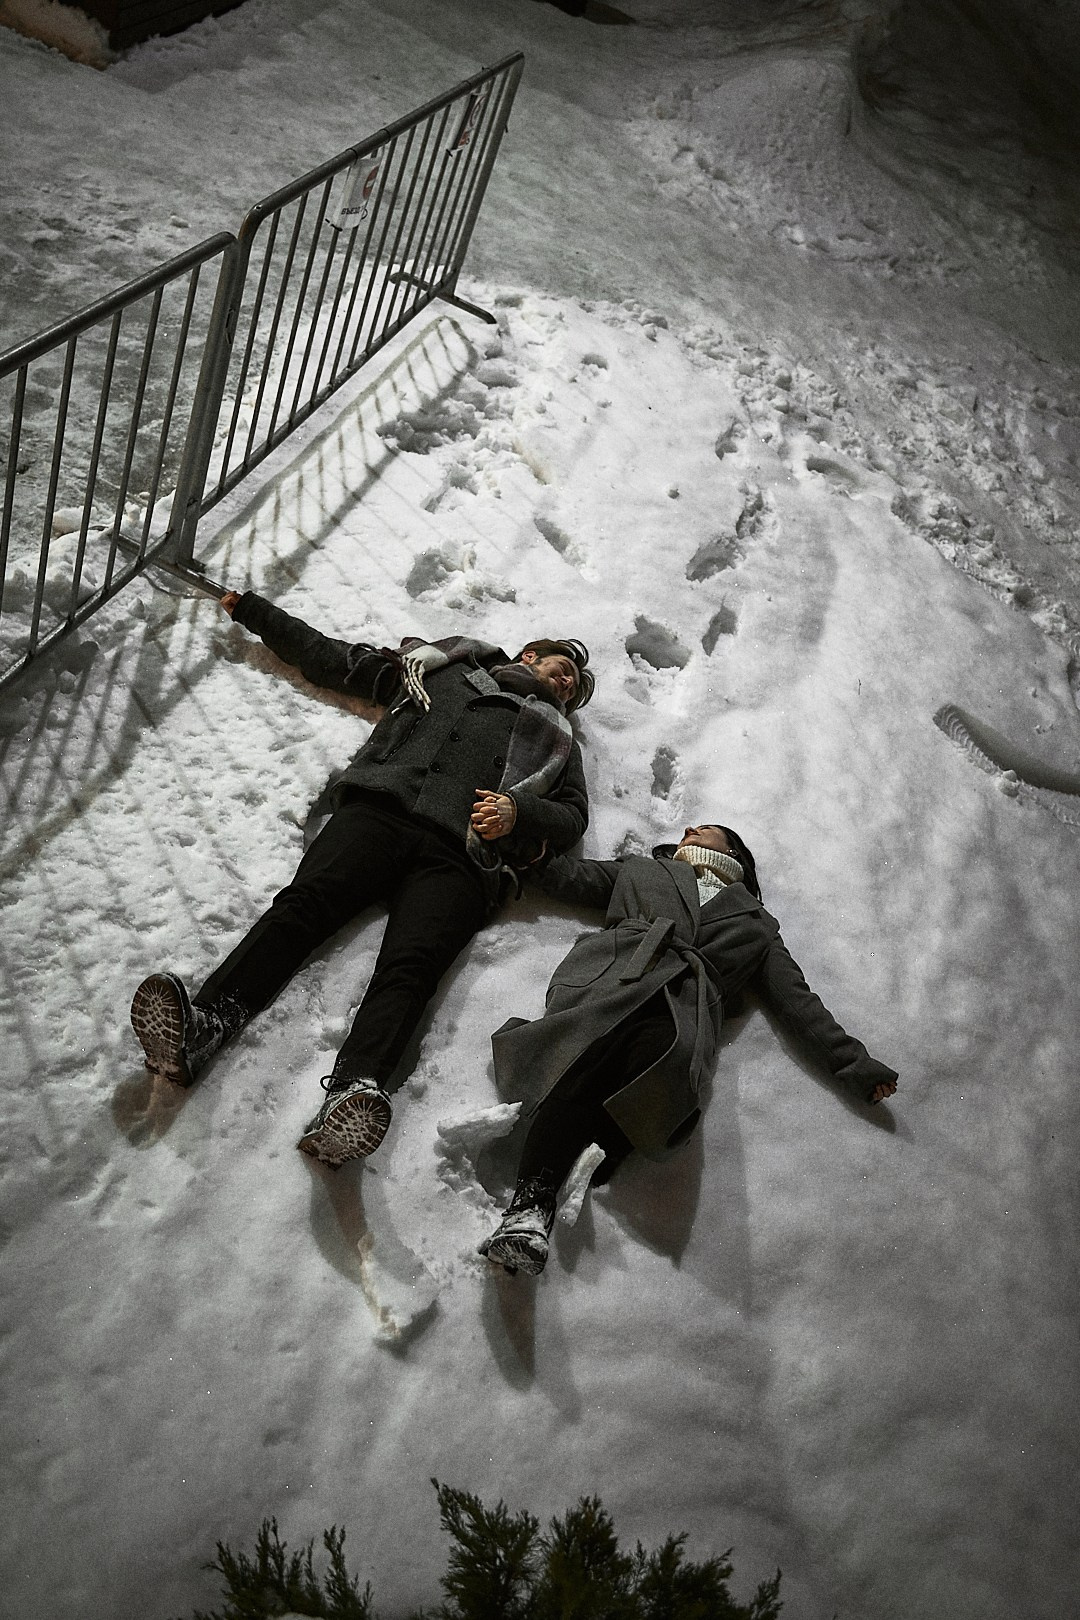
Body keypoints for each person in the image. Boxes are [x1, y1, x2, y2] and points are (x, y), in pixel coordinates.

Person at [130, 587, 594, 1168]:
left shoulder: (558, 740)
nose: (568, 684)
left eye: (575, 687)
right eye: (564, 668)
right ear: (530, 655)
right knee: (301, 908)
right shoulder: (439, 670)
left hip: (463, 856)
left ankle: (352, 1093)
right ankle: (204, 1025)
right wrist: (252, 610)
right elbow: (332, 659)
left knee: (411, 968)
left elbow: (572, 816)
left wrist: (519, 813)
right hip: (381, 809)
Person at [480, 822, 898, 1275]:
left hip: (681, 1009)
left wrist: (854, 1064)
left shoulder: (757, 927)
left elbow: (797, 1003)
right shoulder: (643, 870)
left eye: (707, 829)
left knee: (660, 1065)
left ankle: (596, 1153)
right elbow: (571, 876)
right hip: (613, 978)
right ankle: (533, 1203)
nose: (689, 828)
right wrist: (516, 836)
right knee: (587, 1056)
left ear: (734, 850)